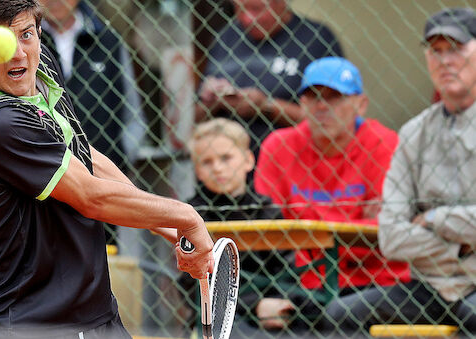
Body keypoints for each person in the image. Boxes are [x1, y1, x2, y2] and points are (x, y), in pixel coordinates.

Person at [0, 1, 213, 337]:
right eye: (0, 42)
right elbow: (91, 196)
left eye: (26, 35)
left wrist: (165, 227)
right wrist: (186, 216)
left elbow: (82, 154)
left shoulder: (40, 66)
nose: (17, 54)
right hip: (26, 324)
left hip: (94, 316)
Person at [326, 7, 476, 335]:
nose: (445, 61)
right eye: (435, 51)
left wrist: (436, 219)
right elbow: (392, 236)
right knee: (340, 313)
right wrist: (462, 245)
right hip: (432, 285)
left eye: (456, 48)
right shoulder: (414, 133)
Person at [254, 57, 410, 330]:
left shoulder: (384, 143)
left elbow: (386, 232)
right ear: (301, 104)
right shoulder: (278, 146)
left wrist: (307, 235)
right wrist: (354, 229)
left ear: (360, 104)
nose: (322, 107)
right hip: (299, 281)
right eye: (312, 97)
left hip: (373, 280)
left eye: (334, 97)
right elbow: (270, 232)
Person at [39, 0, 148, 244]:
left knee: (103, 262)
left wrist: (119, 159)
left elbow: (133, 114)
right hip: (45, 182)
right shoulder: (26, 43)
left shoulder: (108, 41)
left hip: (102, 185)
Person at [178, 118, 286, 332]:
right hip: (214, 316)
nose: (217, 168)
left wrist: (279, 302)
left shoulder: (267, 211)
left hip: (271, 312)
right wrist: (254, 303)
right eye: (206, 162)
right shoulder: (192, 214)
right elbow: (190, 285)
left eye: (226, 158)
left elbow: (286, 270)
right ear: (197, 170)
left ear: (248, 160)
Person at [196, 0, 343, 156]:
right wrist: (212, 100)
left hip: (294, 161)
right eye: (240, 9)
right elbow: (191, 118)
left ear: (282, 3)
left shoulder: (316, 39)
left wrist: (266, 106)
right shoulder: (224, 38)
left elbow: (336, 118)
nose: (248, 18)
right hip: (228, 165)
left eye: (256, 8)